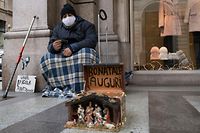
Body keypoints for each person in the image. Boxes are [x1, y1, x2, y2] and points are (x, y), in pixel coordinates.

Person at [40, 3, 98, 95]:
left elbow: (91, 40)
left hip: (78, 52)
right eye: (65, 16)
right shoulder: (57, 28)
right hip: (63, 54)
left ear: (74, 15)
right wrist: (53, 47)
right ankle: (58, 87)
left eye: (70, 15)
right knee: (46, 58)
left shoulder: (87, 25)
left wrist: (72, 48)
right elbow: (50, 44)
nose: (67, 18)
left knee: (87, 53)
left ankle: (82, 86)